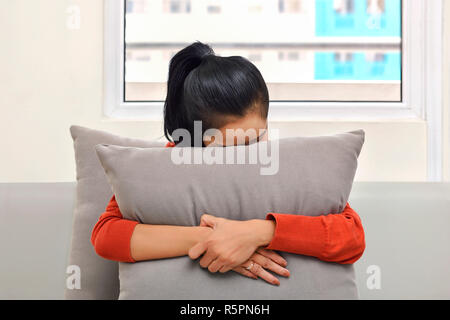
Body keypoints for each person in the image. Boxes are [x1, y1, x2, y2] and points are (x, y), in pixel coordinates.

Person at [91, 41, 365, 286]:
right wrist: (214, 240)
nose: (250, 152)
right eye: (234, 146)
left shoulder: (284, 165)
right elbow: (106, 236)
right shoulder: (167, 164)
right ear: (196, 139)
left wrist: (258, 233)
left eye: (257, 137)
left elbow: (351, 237)